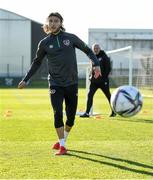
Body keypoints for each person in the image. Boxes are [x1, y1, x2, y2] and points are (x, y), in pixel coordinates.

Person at [18, 12, 101, 155]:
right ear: (47, 24)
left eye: (56, 21)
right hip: (55, 83)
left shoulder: (71, 38)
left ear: (61, 23)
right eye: (50, 21)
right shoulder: (44, 43)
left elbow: (88, 50)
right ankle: (62, 146)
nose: (53, 23)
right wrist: (26, 79)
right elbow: (36, 63)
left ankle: (63, 140)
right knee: (57, 113)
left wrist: (97, 64)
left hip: (72, 82)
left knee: (71, 117)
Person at [80, 43, 116, 118]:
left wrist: (104, 78)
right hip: (94, 82)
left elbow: (108, 68)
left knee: (108, 96)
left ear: (99, 48)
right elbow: (91, 68)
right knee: (90, 95)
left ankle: (114, 111)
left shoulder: (104, 56)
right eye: (94, 48)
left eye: (97, 48)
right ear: (93, 49)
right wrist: (91, 76)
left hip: (103, 82)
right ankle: (87, 113)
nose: (96, 49)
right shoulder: (92, 57)